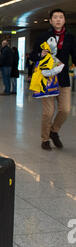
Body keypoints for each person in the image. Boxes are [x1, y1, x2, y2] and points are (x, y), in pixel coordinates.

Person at [30, 8, 76, 150]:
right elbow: (32, 56)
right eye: (55, 17)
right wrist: (40, 54)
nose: (58, 19)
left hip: (62, 79)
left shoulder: (70, 37)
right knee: (48, 112)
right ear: (50, 21)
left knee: (66, 110)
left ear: (64, 20)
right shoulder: (43, 36)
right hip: (47, 79)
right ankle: (45, 139)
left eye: (61, 17)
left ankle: (54, 131)